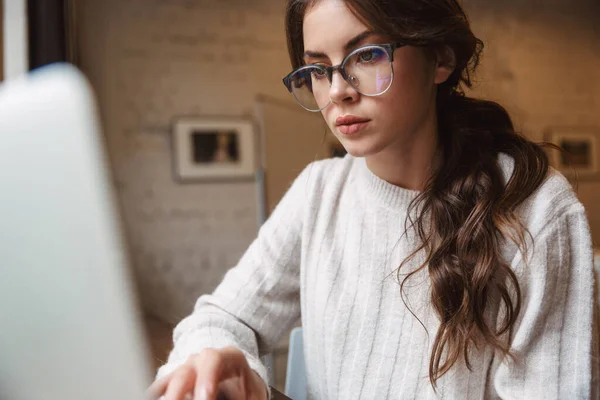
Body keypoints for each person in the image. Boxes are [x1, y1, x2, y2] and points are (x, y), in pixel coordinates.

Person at [148, 0, 599, 399]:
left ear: (439, 58)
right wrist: (218, 368)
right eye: (318, 69)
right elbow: (221, 317)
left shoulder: (535, 209)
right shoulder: (319, 191)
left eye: (366, 55)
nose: (339, 89)